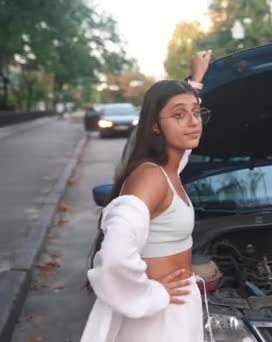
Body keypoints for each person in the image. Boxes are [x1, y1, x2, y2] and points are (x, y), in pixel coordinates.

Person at [81, 50, 213, 342]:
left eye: (196, 112)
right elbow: (114, 259)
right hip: (157, 322)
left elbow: (182, 140)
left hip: (174, 311)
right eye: (179, 115)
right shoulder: (152, 177)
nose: (193, 121)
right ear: (155, 125)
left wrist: (195, 81)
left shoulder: (171, 168)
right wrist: (151, 293)